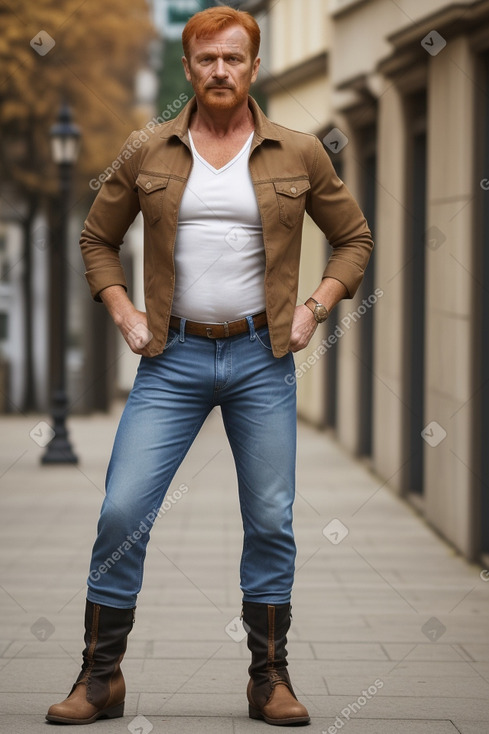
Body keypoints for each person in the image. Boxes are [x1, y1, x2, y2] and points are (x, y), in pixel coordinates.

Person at [46, 5, 373, 727]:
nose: (220, 71)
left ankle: (268, 680)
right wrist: (125, 313)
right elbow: (96, 239)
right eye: (205, 59)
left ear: (254, 67)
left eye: (233, 58)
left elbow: (353, 238)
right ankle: (101, 679)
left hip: (263, 358)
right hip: (173, 358)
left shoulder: (298, 151)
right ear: (188, 67)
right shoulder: (146, 150)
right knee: (123, 509)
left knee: (270, 518)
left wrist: (314, 307)